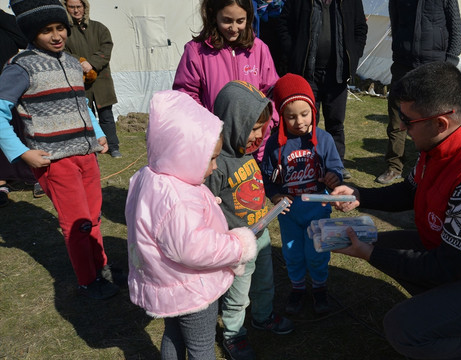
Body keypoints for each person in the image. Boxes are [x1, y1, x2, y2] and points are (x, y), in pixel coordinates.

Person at [330, 62, 461, 359]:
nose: (402, 127)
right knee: (381, 245)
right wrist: (360, 195)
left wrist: (369, 254)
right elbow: (411, 189)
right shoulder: (442, 141)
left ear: (441, 122)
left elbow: (445, 267)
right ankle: (447, 313)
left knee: (400, 327)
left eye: (408, 120)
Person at [0, 0, 121, 299]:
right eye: (46, 31)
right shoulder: (21, 67)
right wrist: (20, 152)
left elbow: (83, 104)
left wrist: (99, 132)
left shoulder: (70, 61)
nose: (56, 36)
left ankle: (101, 267)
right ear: (31, 33)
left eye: (60, 28)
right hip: (54, 161)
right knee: (77, 222)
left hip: (86, 154)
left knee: (93, 217)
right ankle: (87, 280)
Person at [125, 90, 258, 360]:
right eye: (209, 158)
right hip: (192, 286)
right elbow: (193, 248)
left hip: (169, 282)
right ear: (183, 153)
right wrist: (238, 246)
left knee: (173, 334)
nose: (214, 165)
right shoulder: (179, 197)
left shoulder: (150, 176)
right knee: (201, 348)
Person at [205, 81, 294, 360]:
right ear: (232, 123)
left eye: (262, 128)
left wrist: (274, 200)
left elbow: (254, 188)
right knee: (238, 294)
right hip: (237, 246)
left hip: (261, 234)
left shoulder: (248, 155)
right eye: (253, 128)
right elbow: (206, 207)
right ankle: (233, 334)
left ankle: (263, 315)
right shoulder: (217, 163)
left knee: (266, 281)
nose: (259, 135)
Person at [261, 73, 344, 317]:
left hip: (318, 209)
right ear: (281, 116)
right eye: (291, 116)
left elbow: (336, 167)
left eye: (304, 114)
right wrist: (275, 196)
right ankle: (297, 287)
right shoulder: (275, 144)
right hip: (289, 213)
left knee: (317, 252)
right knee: (293, 252)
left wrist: (334, 177)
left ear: (313, 110)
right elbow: (267, 178)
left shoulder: (324, 139)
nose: (299, 121)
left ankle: (319, 287)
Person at [173, 0, 280, 163]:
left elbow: (272, 92)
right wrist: (209, 128)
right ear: (213, 14)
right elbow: (186, 95)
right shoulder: (196, 51)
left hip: (256, 146)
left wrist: (265, 126)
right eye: (227, 20)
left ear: (249, 17)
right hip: (215, 148)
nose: (234, 28)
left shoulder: (259, 49)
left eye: (240, 21)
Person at [277, 0, 368, 179]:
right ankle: (303, 164)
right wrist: (294, 53)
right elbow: (283, 25)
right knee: (306, 122)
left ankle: (336, 166)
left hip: (338, 73)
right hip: (307, 73)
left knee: (335, 122)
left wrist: (354, 55)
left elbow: (360, 28)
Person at [375, 0, 461, 184]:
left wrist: (449, 63)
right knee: (397, 119)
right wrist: (398, 49)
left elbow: (456, 28)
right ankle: (394, 166)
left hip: (434, 64)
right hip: (403, 64)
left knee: (432, 119)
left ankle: (429, 166)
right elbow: (395, 22)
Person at [61, 0, 122, 158]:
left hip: (101, 78)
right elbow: (63, 52)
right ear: (66, 8)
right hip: (79, 79)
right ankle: (92, 147)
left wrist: (93, 63)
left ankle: (113, 146)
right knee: (86, 116)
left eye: (79, 7)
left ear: (85, 7)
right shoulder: (64, 31)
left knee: (106, 115)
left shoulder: (99, 28)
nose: (76, 11)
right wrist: (81, 62)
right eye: (72, 7)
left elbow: (106, 47)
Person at [0, 8, 43, 205]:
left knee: (22, 131)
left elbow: (23, 39)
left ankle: (35, 177)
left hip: (11, 87)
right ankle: (2, 182)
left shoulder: (6, 21)